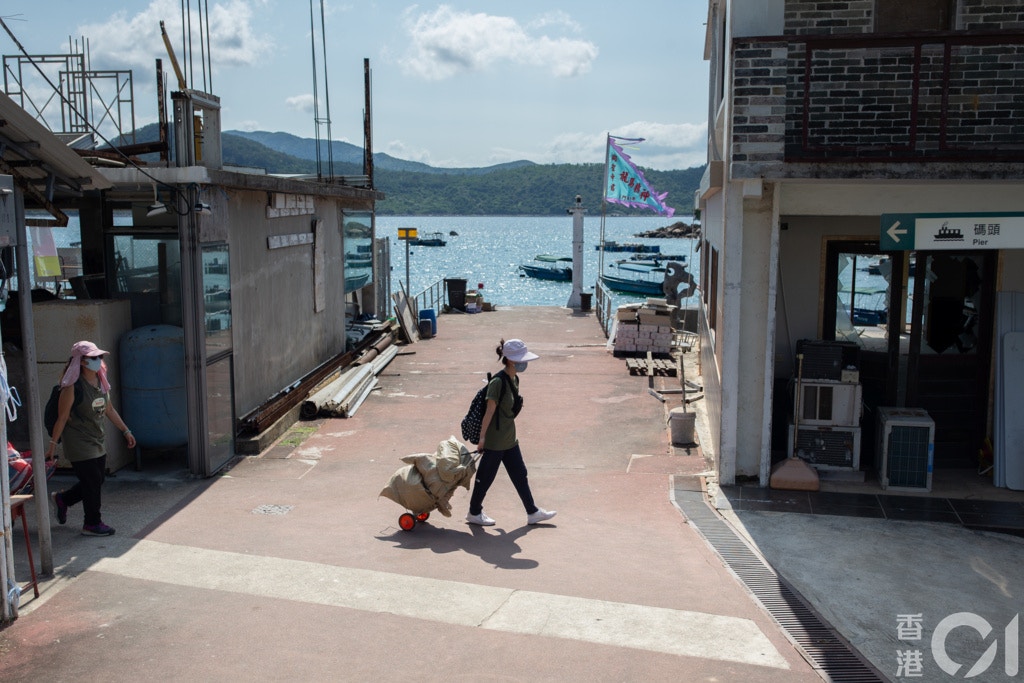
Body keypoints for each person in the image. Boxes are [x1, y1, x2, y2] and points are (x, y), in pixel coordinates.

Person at [45, 341, 136, 536]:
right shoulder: (72, 387)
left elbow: (109, 409)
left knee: (97, 479)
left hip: (97, 438)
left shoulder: (101, 380)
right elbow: (62, 418)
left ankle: (63, 500)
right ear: (82, 361)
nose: (98, 361)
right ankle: (92, 523)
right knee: (92, 480)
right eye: (93, 358)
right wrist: (52, 447)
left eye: (99, 357)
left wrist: (126, 430)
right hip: (78, 441)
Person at [467, 338, 556, 527]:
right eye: (521, 360)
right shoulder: (497, 382)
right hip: (495, 440)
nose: (524, 364)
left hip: (509, 438)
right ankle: (474, 512)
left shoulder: (515, 378)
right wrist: (482, 439)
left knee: (520, 474)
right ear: (510, 360)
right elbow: (489, 412)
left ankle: (532, 512)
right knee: (486, 477)